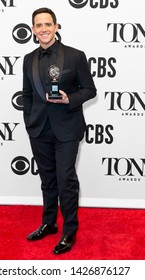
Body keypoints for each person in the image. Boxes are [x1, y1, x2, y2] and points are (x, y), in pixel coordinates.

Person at [22, 7, 97, 254]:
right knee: (48, 180)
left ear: (56, 27)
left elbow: (90, 90)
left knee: (66, 180)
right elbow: (27, 96)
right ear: (33, 30)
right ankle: (49, 222)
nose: (43, 29)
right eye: (38, 25)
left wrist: (69, 99)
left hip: (67, 128)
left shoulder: (75, 56)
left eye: (48, 24)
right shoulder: (28, 59)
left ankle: (69, 231)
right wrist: (29, 122)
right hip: (39, 129)